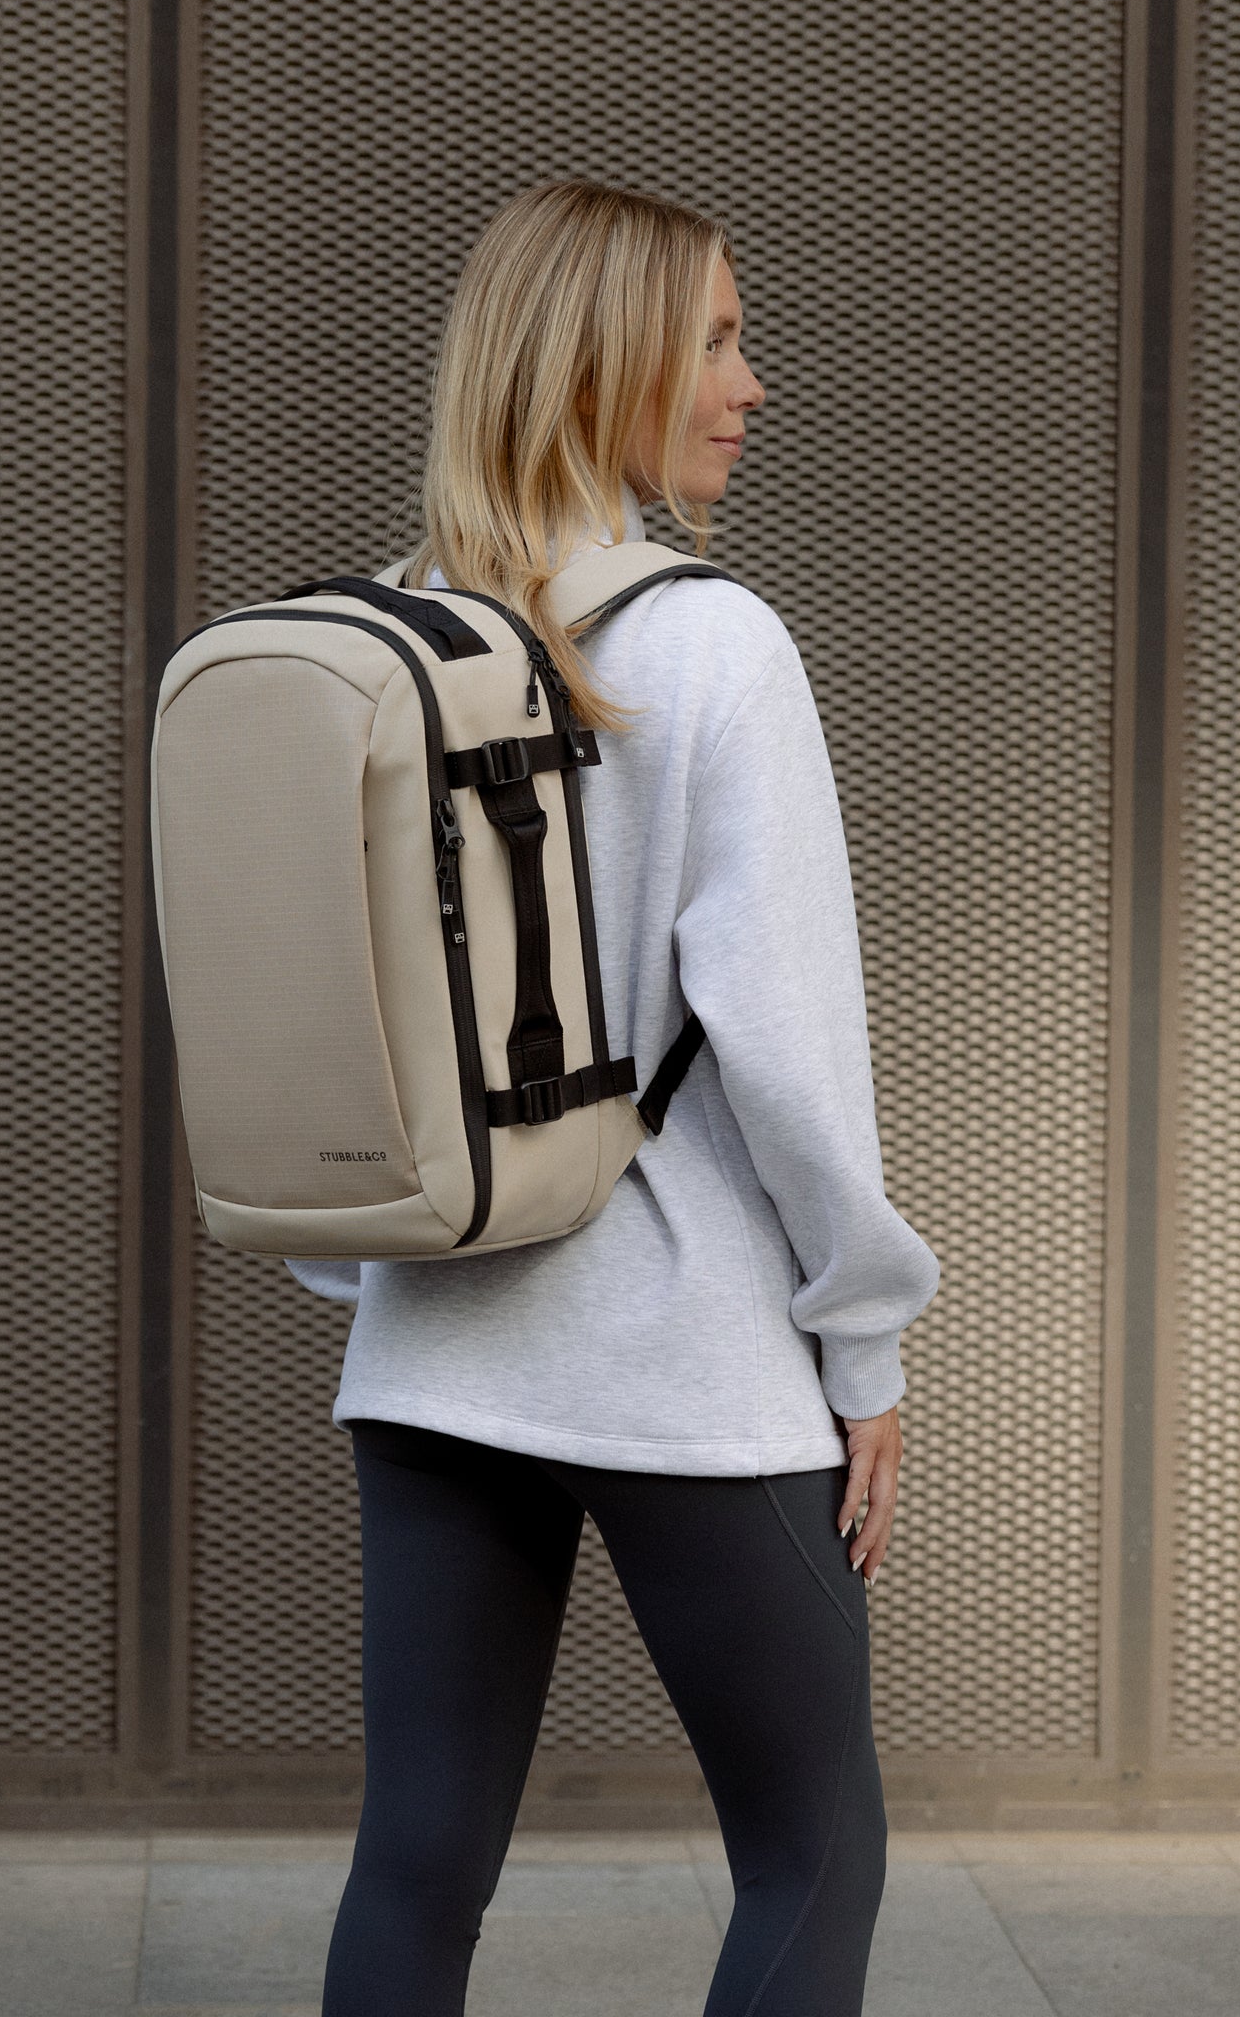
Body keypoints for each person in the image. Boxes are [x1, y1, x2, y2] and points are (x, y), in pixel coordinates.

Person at [289, 176, 941, 2017]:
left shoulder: (386, 634)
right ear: (603, 367)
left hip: (433, 1342)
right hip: (690, 1360)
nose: (753, 383)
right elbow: (792, 1044)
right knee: (814, 1850)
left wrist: (375, 1265)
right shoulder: (717, 642)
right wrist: (867, 1342)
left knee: (417, 1864)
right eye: (717, 340)